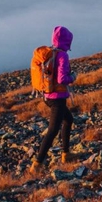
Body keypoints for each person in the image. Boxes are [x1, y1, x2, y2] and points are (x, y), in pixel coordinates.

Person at [34, 25, 75, 168]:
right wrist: (72, 77)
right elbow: (62, 79)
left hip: (47, 95)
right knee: (52, 131)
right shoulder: (62, 55)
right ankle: (37, 164)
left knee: (69, 120)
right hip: (57, 98)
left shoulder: (50, 53)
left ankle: (66, 154)